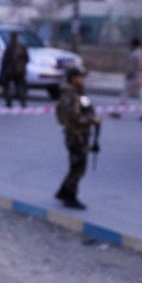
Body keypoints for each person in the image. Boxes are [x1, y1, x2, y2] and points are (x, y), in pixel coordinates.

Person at [54, 66, 100, 210]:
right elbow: (74, 117)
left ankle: (64, 192)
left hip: (81, 134)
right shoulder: (71, 95)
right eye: (80, 76)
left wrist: (91, 117)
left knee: (77, 166)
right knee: (78, 167)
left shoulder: (79, 93)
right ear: (73, 78)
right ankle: (70, 197)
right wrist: (91, 120)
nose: (83, 79)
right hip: (75, 135)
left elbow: (87, 107)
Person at [0, 31, 29, 108]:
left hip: (10, 71)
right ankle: (23, 102)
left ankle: (9, 101)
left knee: (6, 86)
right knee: (20, 86)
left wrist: (2, 72)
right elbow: (27, 59)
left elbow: (5, 60)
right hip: (20, 71)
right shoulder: (22, 47)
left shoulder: (10, 47)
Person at [119, 37, 142, 106]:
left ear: (133, 45)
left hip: (133, 76)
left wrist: (128, 75)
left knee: (125, 93)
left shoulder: (133, 54)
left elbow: (131, 67)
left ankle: (118, 110)